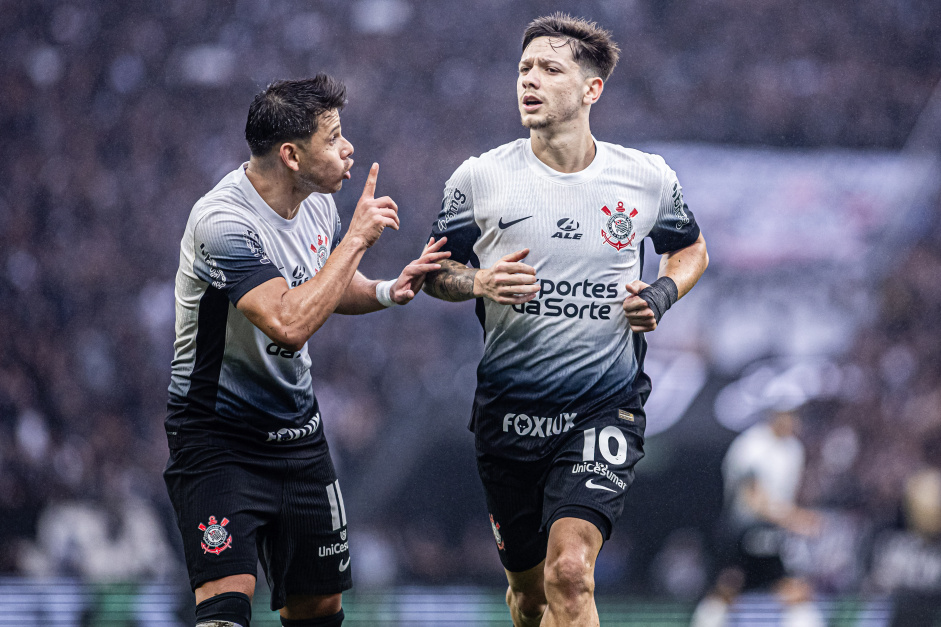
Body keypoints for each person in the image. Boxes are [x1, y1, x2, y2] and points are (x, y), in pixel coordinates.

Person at [423, 13, 709, 627]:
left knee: (571, 573)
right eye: (524, 68)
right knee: (529, 599)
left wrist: (661, 293)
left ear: (590, 89)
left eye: (550, 69)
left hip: (602, 408)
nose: (530, 80)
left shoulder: (646, 177)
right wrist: (480, 280)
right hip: (508, 415)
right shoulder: (480, 177)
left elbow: (691, 250)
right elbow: (430, 274)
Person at [163, 75, 448, 627]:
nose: (349, 149)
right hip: (218, 438)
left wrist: (388, 289)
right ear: (291, 155)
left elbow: (324, 288)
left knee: (319, 609)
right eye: (334, 136)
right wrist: (358, 240)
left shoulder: (317, 204)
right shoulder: (222, 222)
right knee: (225, 606)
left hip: (297, 438)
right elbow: (288, 322)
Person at [691, 409, 823, 627]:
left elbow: (787, 496)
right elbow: (752, 499)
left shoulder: (793, 448)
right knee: (727, 587)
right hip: (742, 528)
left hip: (775, 530)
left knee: (795, 589)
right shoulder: (751, 446)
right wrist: (794, 519)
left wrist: (792, 518)